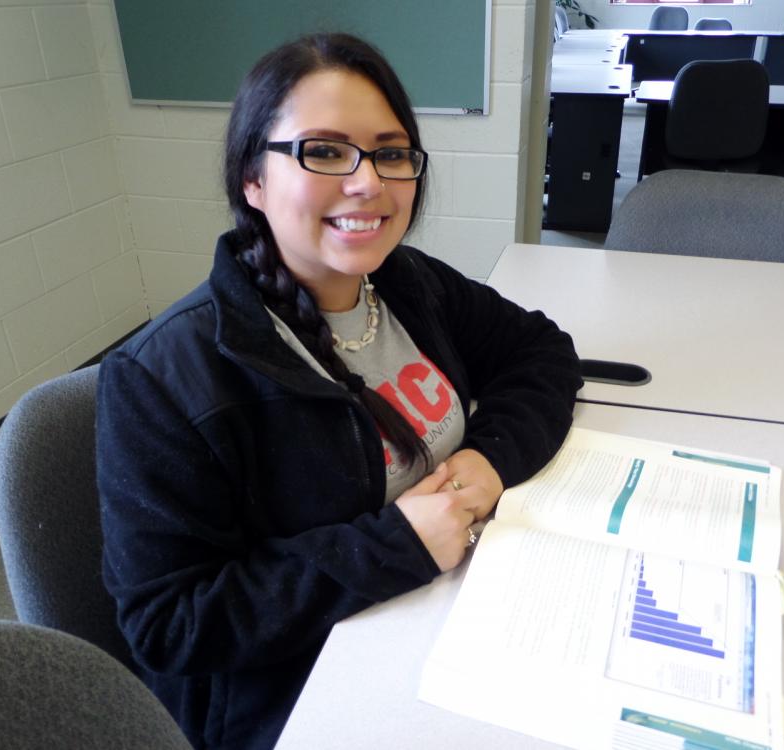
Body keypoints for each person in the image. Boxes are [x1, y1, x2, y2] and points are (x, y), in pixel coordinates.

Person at [96, 32, 582, 750]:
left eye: (390, 153)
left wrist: (490, 458)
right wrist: (396, 546)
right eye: (324, 152)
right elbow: (173, 623)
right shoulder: (163, 377)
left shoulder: (407, 283)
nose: (368, 183)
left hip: (458, 615)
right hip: (303, 693)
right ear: (252, 180)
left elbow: (541, 350)